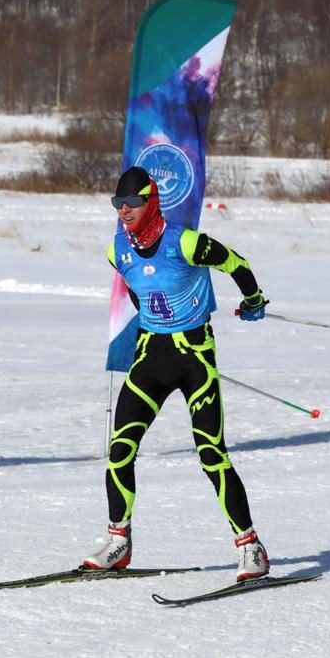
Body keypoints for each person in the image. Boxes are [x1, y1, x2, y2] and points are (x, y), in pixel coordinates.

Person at [83, 166, 271, 581]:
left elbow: (236, 263)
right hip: (151, 356)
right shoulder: (118, 251)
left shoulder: (186, 242)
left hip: (194, 358)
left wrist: (253, 301)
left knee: (211, 454)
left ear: (152, 201)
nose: (125, 211)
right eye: (118, 204)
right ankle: (119, 542)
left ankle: (250, 547)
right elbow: (136, 288)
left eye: (132, 203)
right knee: (119, 450)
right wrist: (156, 312)